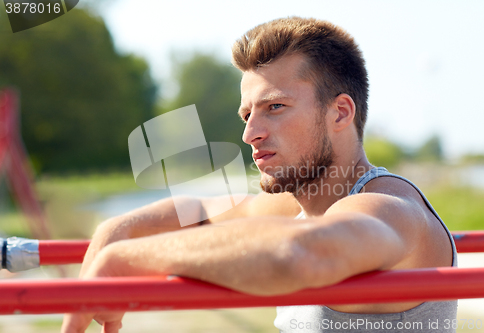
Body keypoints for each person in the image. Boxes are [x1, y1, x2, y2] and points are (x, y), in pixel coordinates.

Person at [61, 17, 457, 333]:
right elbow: (198, 211)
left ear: (340, 112)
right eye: (247, 114)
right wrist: (116, 229)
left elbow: (301, 255)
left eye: (275, 107)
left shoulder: (390, 208)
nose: (250, 134)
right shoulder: (294, 208)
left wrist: (126, 259)